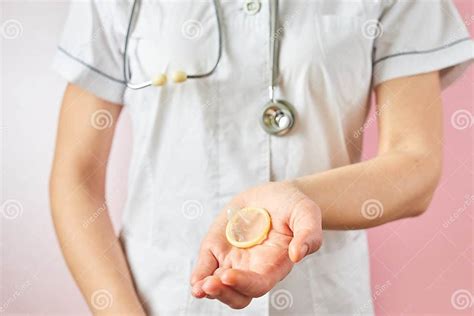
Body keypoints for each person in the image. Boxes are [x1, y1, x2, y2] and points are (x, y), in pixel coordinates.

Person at [49, 0, 473, 315]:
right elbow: (77, 176)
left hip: (322, 300)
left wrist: (298, 196)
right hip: (159, 298)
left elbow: (414, 164)